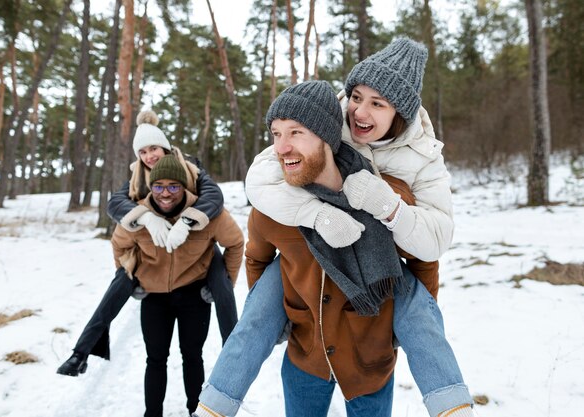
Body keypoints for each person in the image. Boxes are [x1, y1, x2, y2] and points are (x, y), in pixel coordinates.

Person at [194, 45, 476, 417]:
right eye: (357, 97)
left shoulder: (420, 160)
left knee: (412, 300)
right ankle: (215, 404)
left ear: (400, 113)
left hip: (369, 339)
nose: (359, 110)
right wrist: (316, 215)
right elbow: (262, 192)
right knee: (266, 299)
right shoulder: (322, 122)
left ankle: (451, 404)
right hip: (308, 340)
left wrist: (388, 204)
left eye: (378, 103)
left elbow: (432, 249)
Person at [57, 110, 237, 376]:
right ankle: (80, 353)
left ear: (164, 146)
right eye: (142, 152)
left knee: (220, 276)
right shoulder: (137, 176)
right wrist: (146, 219)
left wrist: (188, 220)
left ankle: (234, 352)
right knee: (121, 277)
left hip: (193, 241)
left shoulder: (189, 166)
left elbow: (213, 195)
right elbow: (115, 203)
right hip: (153, 247)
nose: (149, 156)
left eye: (153, 148)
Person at [111, 154, 244, 417]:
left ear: (184, 186)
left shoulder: (206, 213)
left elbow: (236, 242)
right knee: (155, 359)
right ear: (151, 187)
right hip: (154, 299)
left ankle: (195, 411)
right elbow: (119, 244)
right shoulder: (139, 214)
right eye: (158, 186)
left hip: (194, 296)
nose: (165, 194)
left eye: (173, 186)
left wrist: (222, 284)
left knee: (192, 357)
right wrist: (129, 277)